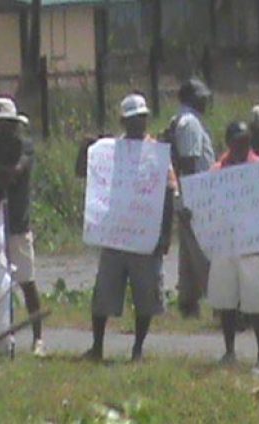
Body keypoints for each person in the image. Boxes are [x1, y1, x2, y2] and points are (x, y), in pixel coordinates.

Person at [83, 93, 177, 362]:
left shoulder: (158, 153)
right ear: (123, 122)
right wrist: (86, 150)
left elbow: (169, 194)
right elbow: (87, 174)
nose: (138, 123)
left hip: (144, 237)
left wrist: (165, 236)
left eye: (142, 118)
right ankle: (97, 347)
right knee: (103, 293)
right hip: (115, 236)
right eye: (133, 119)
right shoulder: (109, 151)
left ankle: (137, 349)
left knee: (145, 295)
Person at [0, 96, 45, 357]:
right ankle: (2, 335)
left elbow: (15, 173)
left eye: (6, 124)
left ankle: (38, 339)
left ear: (14, 125)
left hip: (17, 223)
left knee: (26, 281)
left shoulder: (24, 146)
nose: (2, 129)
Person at [203, 121, 259, 372]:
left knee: (257, 299)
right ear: (228, 143)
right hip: (225, 244)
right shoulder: (216, 171)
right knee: (226, 299)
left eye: (246, 141)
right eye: (237, 142)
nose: (242, 146)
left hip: (252, 244)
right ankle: (229, 351)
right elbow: (206, 207)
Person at [170, 79, 215, 318]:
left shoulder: (184, 120)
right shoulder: (190, 124)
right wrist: (191, 201)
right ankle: (221, 304)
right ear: (190, 97)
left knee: (188, 255)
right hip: (195, 197)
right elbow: (189, 162)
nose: (206, 100)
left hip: (187, 196)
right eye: (202, 96)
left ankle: (188, 304)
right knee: (204, 253)